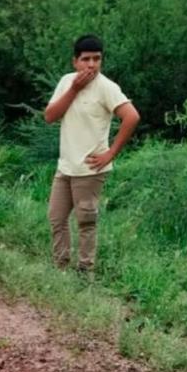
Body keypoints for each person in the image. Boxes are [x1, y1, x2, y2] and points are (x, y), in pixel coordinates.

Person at [44, 34, 140, 272]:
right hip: (66, 165)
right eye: (86, 59)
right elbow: (50, 116)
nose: (91, 65)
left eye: (97, 59)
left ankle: (85, 273)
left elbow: (132, 116)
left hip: (90, 168)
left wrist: (111, 153)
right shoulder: (67, 81)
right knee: (56, 218)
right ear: (75, 62)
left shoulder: (107, 87)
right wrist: (74, 90)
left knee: (86, 222)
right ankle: (61, 267)